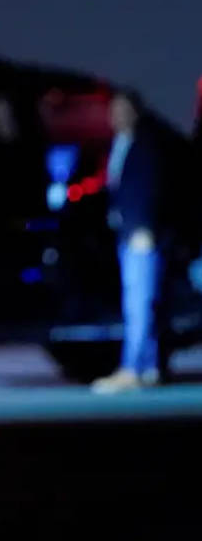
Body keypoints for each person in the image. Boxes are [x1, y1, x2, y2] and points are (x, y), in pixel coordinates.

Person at [91, 90, 174, 393]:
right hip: (127, 233)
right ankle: (149, 367)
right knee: (143, 302)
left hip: (140, 235)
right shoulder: (120, 143)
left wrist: (143, 228)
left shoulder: (145, 144)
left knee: (139, 303)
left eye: (123, 109)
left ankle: (133, 367)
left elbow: (148, 188)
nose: (117, 116)